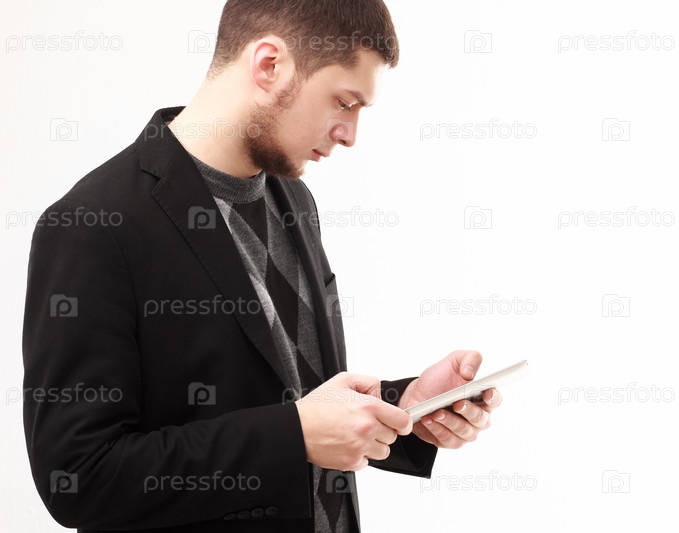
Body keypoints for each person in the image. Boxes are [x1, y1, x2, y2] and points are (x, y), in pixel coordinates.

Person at [22, 1, 501, 531]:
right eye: (344, 102)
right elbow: (79, 477)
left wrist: (404, 407)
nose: (350, 134)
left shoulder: (293, 199)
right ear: (270, 64)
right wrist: (293, 435)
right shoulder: (92, 224)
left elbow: (292, 394)